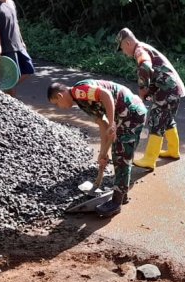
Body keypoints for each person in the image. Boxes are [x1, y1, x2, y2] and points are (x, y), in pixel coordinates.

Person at [47, 80, 147, 217]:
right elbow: (102, 124)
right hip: (125, 115)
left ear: (60, 96)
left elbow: (106, 95)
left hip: (131, 113)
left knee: (121, 155)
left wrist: (112, 123)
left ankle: (116, 202)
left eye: (56, 104)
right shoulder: (81, 102)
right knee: (120, 154)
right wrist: (102, 153)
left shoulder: (78, 91)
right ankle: (122, 195)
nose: (59, 107)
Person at [115, 28, 185, 170]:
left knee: (156, 121)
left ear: (128, 43)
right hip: (172, 89)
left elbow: (145, 66)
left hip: (167, 91)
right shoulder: (144, 47)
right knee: (166, 120)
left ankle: (149, 159)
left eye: (122, 48)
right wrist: (149, 91)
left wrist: (143, 89)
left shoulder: (139, 50)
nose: (123, 52)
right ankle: (173, 150)